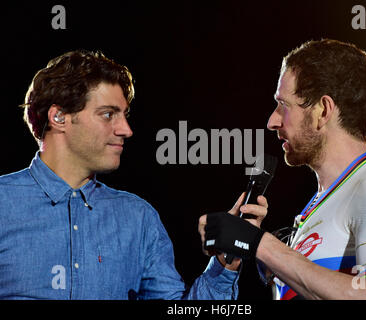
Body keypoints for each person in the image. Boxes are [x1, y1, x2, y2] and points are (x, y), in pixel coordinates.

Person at [0, 50, 256, 300]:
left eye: (124, 115)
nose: (126, 129)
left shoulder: (139, 218)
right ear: (59, 117)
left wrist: (225, 261)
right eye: (108, 114)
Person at [200, 39, 366, 300]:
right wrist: (237, 253)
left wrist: (261, 244)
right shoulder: (321, 204)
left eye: (284, 104)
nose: (272, 121)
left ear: (323, 110)